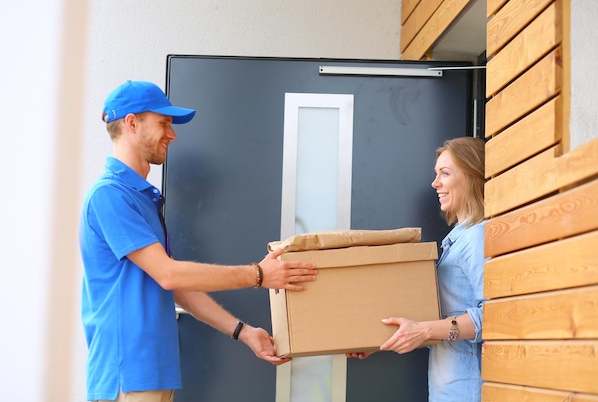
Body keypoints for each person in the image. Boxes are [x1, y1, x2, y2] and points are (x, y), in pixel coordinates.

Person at [79, 80, 317, 402]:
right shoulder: (110, 196)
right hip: (127, 375)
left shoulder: (141, 199)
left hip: (154, 373)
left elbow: (177, 287)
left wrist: (244, 332)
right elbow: (169, 274)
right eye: (163, 123)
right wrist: (258, 275)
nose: (172, 134)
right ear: (132, 122)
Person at [348, 136, 487, 402]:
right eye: (436, 174)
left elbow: (492, 316)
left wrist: (422, 331)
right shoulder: (457, 240)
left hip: (468, 390)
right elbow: (436, 317)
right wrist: (379, 339)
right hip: (448, 386)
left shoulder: (475, 238)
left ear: (472, 176)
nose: (435, 183)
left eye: (445, 173)